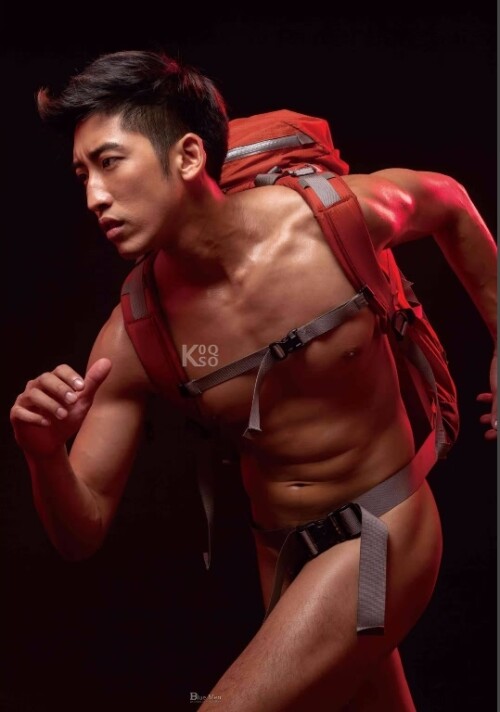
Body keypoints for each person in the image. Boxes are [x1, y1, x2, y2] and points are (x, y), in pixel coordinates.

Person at [10, 49, 497, 711]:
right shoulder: (134, 334)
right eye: (81, 174)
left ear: (188, 157)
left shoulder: (327, 223)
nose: (94, 196)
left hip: (384, 529)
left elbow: (448, 201)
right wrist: (43, 454)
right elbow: (81, 531)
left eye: (110, 162)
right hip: (284, 562)